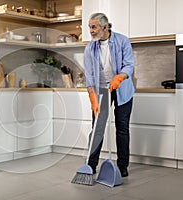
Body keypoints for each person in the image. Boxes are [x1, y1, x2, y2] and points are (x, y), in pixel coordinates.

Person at [83, 13, 134, 177]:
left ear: (104, 27)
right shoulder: (90, 48)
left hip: (122, 89)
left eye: (94, 27)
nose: (90, 30)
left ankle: (122, 166)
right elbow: (89, 76)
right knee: (97, 127)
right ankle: (91, 165)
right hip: (101, 90)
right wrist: (92, 96)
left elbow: (129, 65)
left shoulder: (122, 41)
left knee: (122, 128)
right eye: (89, 27)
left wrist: (120, 77)